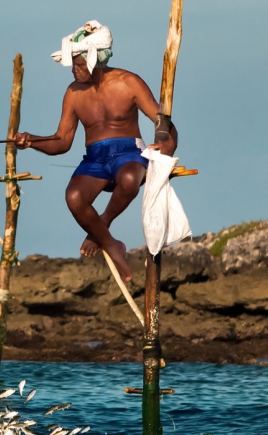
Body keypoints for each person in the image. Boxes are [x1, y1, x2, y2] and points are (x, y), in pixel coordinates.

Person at [14, 21, 177, 282]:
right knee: (74, 197)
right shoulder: (74, 93)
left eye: (80, 65)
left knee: (128, 179)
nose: (75, 71)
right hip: (95, 158)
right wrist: (31, 141)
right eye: (73, 65)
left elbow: (162, 121)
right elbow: (62, 141)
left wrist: (167, 145)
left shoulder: (128, 82)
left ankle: (103, 230)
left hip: (129, 153)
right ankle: (113, 244)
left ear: (97, 60)